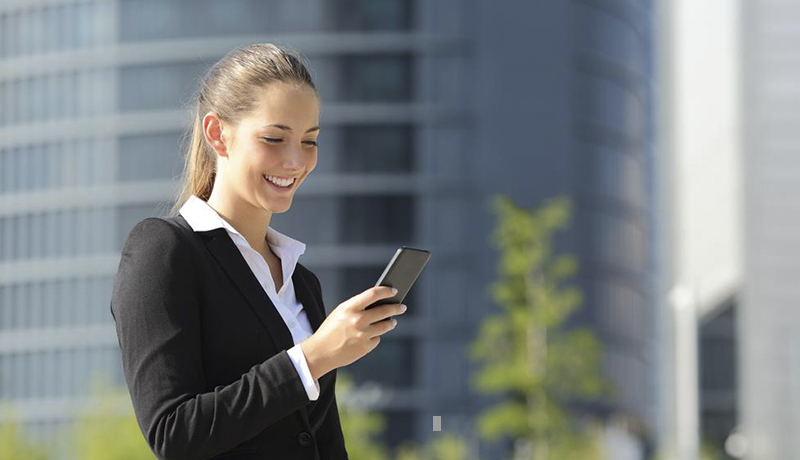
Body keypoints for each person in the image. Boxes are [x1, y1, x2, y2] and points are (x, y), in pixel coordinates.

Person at [109, 43, 407, 460]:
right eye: (273, 138)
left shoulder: (302, 281)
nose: (294, 161)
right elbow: (173, 434)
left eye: (309, 141)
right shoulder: (164, 251)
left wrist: (317, 359)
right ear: (217, 134)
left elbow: (322, 441)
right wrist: (313, 357)